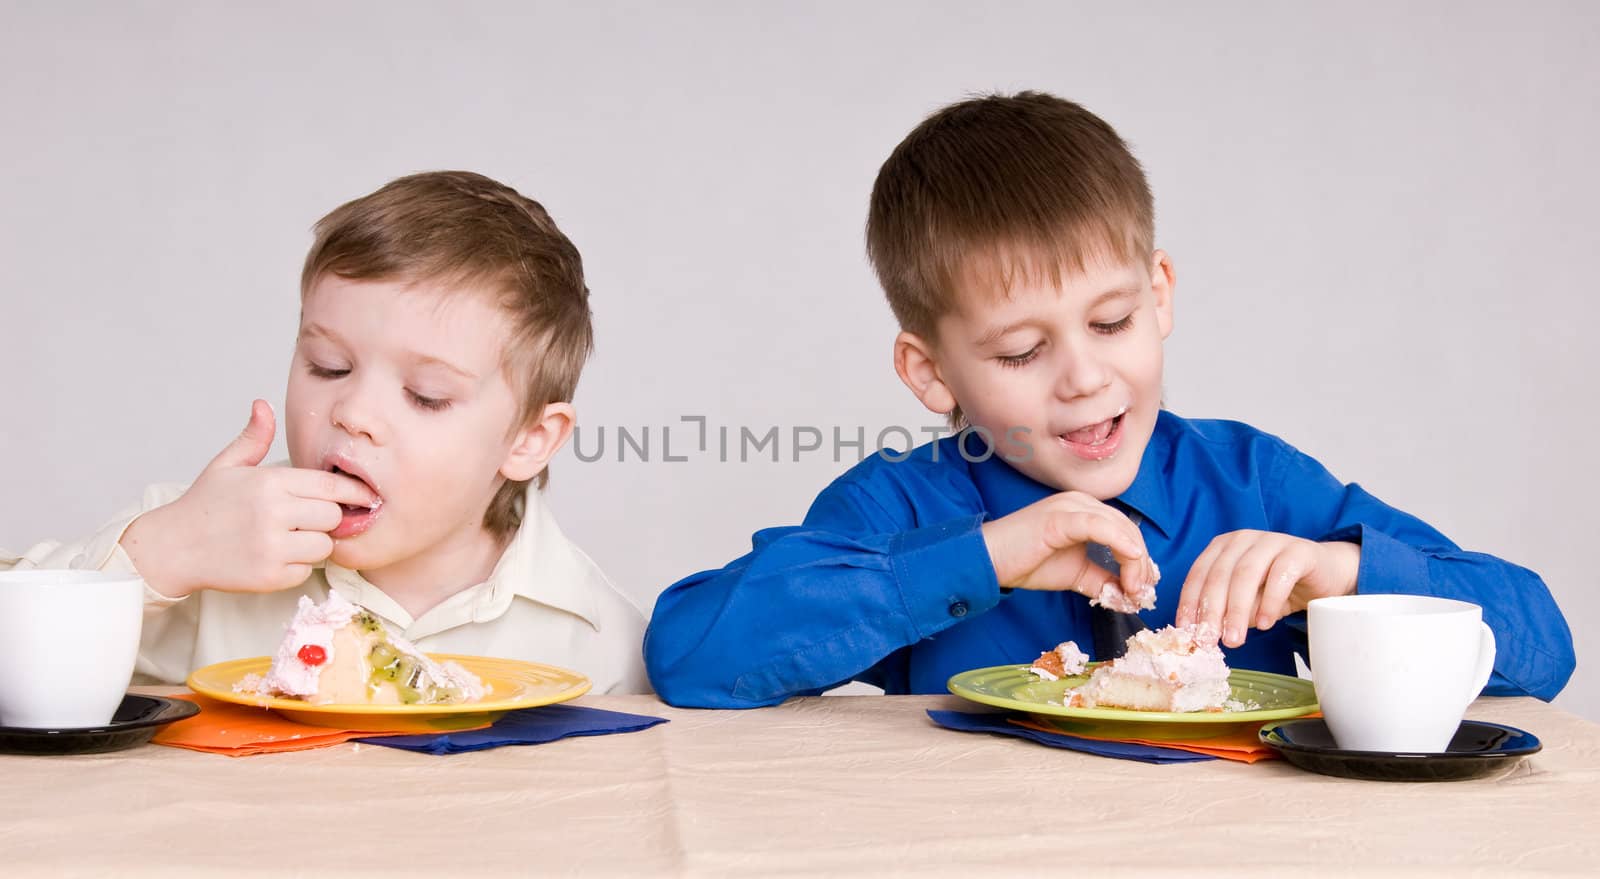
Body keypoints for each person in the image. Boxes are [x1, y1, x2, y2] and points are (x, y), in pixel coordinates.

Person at [643, 92, 1574, 708]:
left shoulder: (1253, 484)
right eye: (1020, 350)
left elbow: (1542, 642)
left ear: (1160, 295)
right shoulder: (908, 508)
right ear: (932, 376)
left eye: (1113, 321)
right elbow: (690, 654)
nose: (1084, 377)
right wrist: (983, 560)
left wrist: (1341, 576)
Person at [2, 171, 648, 694]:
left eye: (426, 396)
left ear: (528, 440)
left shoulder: (601, 640)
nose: (352, 412)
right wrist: (166, 552)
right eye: (327, 366)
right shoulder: (197, 547)